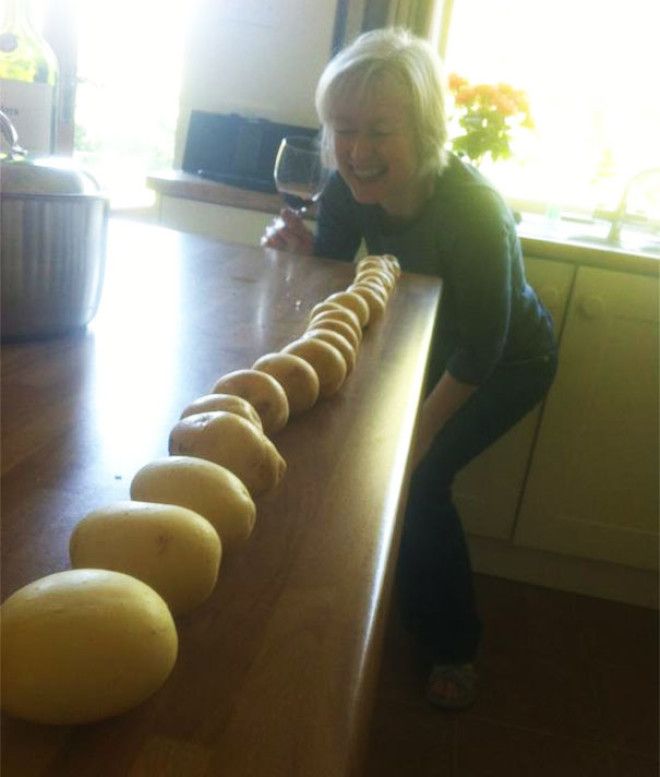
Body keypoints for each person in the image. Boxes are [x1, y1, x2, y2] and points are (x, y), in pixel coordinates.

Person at [262, 28, 557, 710]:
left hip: (508, 359)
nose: (358, 152)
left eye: (380, 131)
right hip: (430, 341)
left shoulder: (474, 211)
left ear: (425, 129)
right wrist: (292, 256)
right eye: (344, 130)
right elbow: (333, 286)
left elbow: (482, 349)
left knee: (417, 482)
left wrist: (414, 437)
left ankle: (455, 644)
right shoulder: (343, 187)